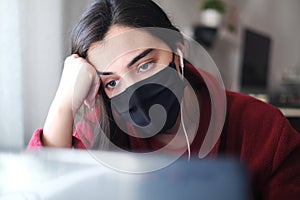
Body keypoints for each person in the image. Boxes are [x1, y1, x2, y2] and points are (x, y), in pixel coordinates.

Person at [28, 0, 300, 199]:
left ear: (177, 53)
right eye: (112, 82)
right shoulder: (100, 133)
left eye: (145, 65)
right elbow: (38, 187)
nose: (134, 88)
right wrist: (64, 101)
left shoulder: (263, 129)